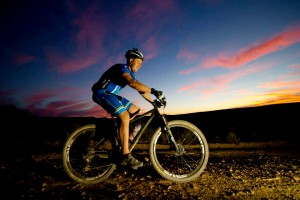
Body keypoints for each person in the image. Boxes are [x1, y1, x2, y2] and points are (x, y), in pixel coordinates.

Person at [92, 48, 162, 169]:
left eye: (141, 64)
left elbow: (140, 89)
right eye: (138, 62)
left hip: (112, 95)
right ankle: (125, 155)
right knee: (125, 116)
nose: (140, 66)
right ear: (131, 60)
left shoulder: (131, 74)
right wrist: (153, 90)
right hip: (102, 93)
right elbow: (132, 84)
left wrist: (153, 102)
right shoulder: (121, 68)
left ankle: (126, 140)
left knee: (135, 110)